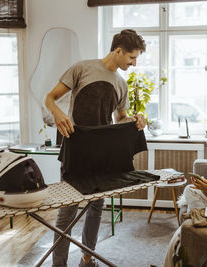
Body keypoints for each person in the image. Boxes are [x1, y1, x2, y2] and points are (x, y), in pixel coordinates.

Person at [45, 29, 146, 267]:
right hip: (76, 149)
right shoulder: (81, 68)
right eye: (132, 57)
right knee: (67, 210)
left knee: (96, 207)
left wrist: (135, 119)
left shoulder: (121, 84)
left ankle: (87, 259)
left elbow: (120, 117)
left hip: (104, 153)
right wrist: (58, 113)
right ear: (118, 50)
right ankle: (58, 264)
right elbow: (50, 98)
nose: (134, 63)